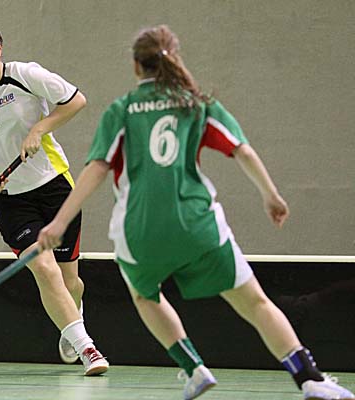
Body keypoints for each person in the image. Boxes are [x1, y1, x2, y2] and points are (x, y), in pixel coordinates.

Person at [37, 24, 354, 399]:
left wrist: (59, 222)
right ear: (174, 58)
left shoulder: (121, 111)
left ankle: (193, 368)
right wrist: (271, 195)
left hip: (140, 231)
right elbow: (242, 150)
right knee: (255, 303)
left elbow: (96, 169)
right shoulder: (197, 103)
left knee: (145, 296)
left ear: (136, 66)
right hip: (198, 225)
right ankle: (310, 379)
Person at [0, 22, 108, 376]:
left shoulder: (26, 76)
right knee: (43, 268)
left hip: (53, 186)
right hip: (10, 201)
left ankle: (73, 321)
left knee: (70, 281)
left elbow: (76, 101)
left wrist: (39, 128)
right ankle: (87, 348)